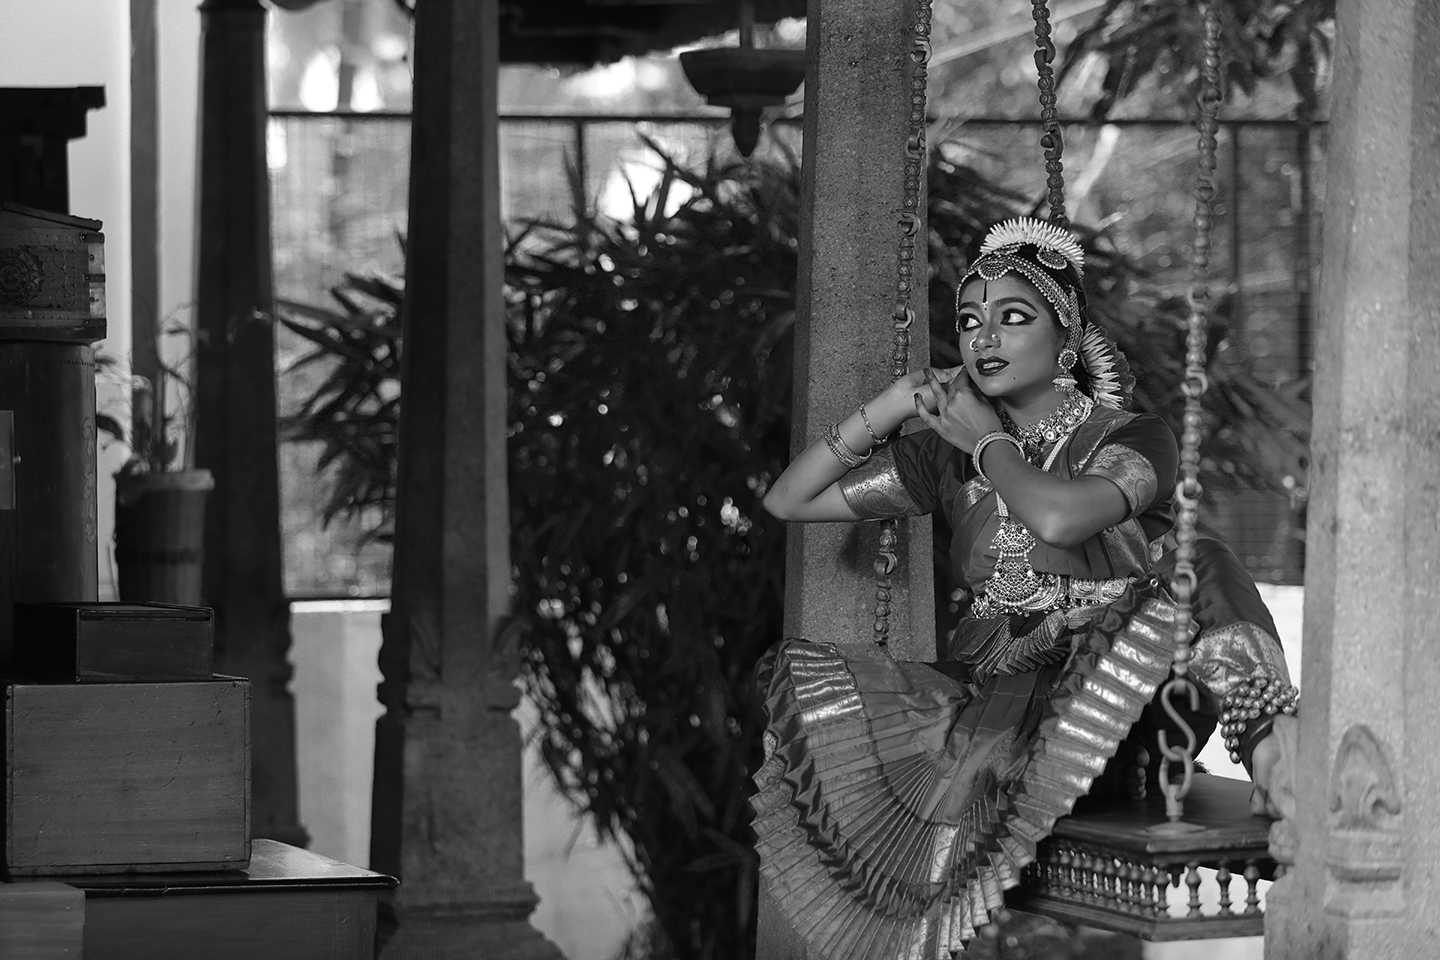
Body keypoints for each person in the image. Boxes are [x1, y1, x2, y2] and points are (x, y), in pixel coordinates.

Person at [753, 217, 1296, 959]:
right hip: (996, 710)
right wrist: (894, 405)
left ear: (1066, 338)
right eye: (969, 322)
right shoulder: (942, 458)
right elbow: (790, 500)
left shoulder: (1131, 439)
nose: (984, 338)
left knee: (1199, 558)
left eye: (1013, 317)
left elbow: (1061, 518)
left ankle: (1275, 755)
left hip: (1119, 690)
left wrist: (986, 442)